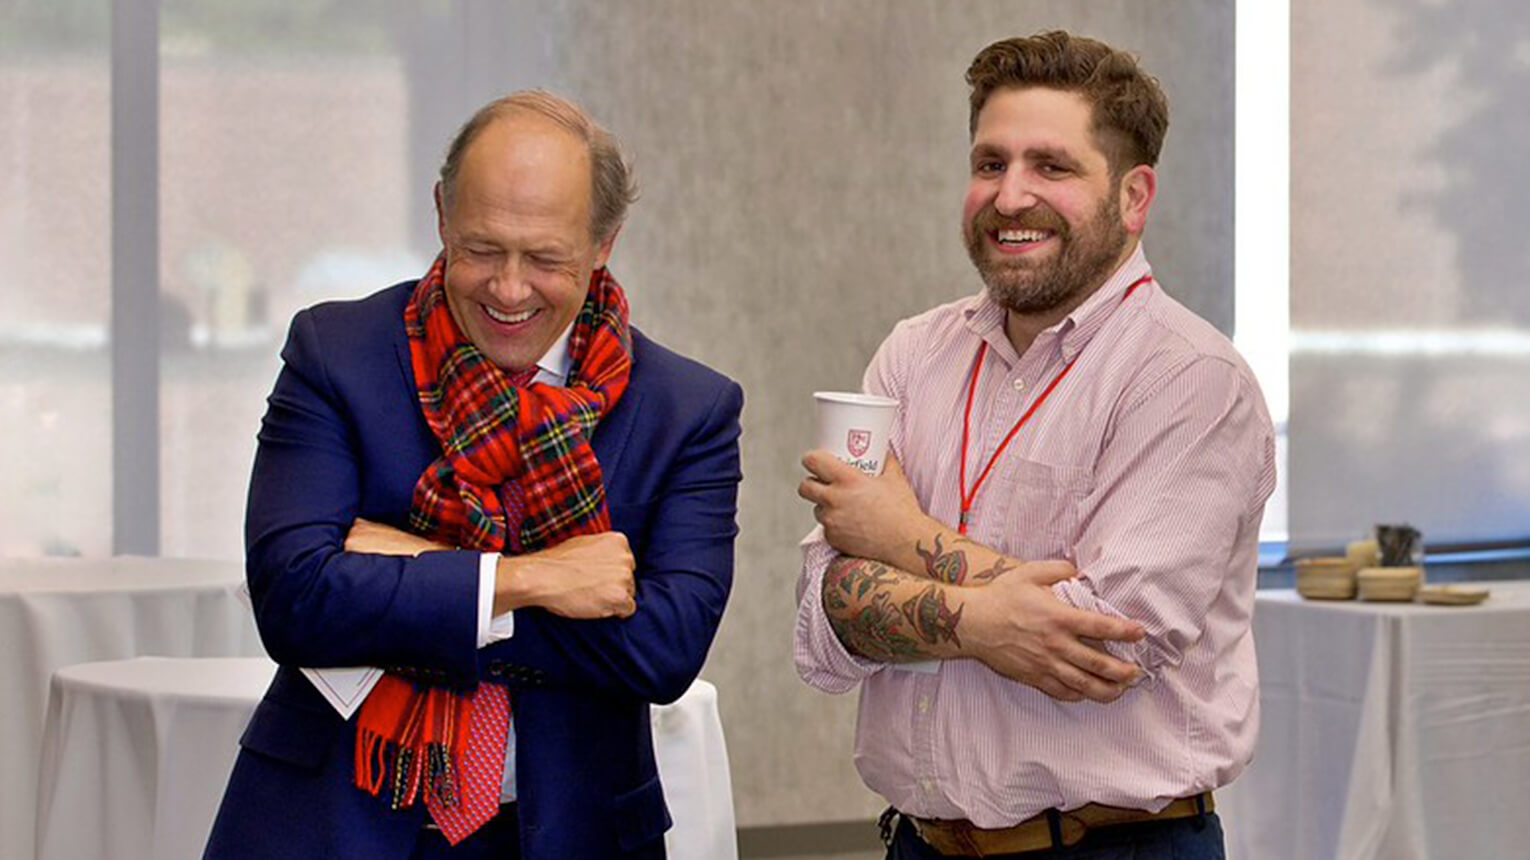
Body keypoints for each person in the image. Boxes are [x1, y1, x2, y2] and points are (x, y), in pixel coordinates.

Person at [204, 91, 744, 859]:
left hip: (573, 830)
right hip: (329, 824)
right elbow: (293, 599)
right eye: (483, 248)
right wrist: (523, 581)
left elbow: (662, 650)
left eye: (547, 258)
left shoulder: (685, 408)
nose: (510, 289)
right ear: (441, 215)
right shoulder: (339, 353)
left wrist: (415, 571)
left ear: (604, 244)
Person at [795, 32, 1275, 859]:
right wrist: (992, 617)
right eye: (990, 164)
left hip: (1116, 847)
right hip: (919, 843)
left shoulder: (1190, 379)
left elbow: (1105, 644)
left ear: (1134, 196)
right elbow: (825, 614)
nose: (1010, 196)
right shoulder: (912, 354)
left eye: (1051, 167)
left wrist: (901, 538)